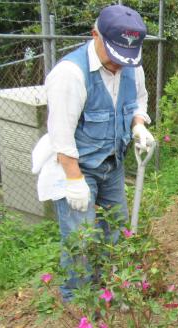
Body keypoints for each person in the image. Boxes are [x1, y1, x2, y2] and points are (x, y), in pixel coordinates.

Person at [45, 4, 154, 301]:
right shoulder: (70, 74)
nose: (121, 64)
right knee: (81, 239)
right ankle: (78, 300)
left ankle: (109, 290)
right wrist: (73, 180)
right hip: (78, 168)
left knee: (115, 230)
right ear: (95, 34)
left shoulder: (132, 66)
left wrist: (138, 125)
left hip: (113, 164)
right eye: (115, 55)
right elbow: (60, 135)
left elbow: (138, 102)